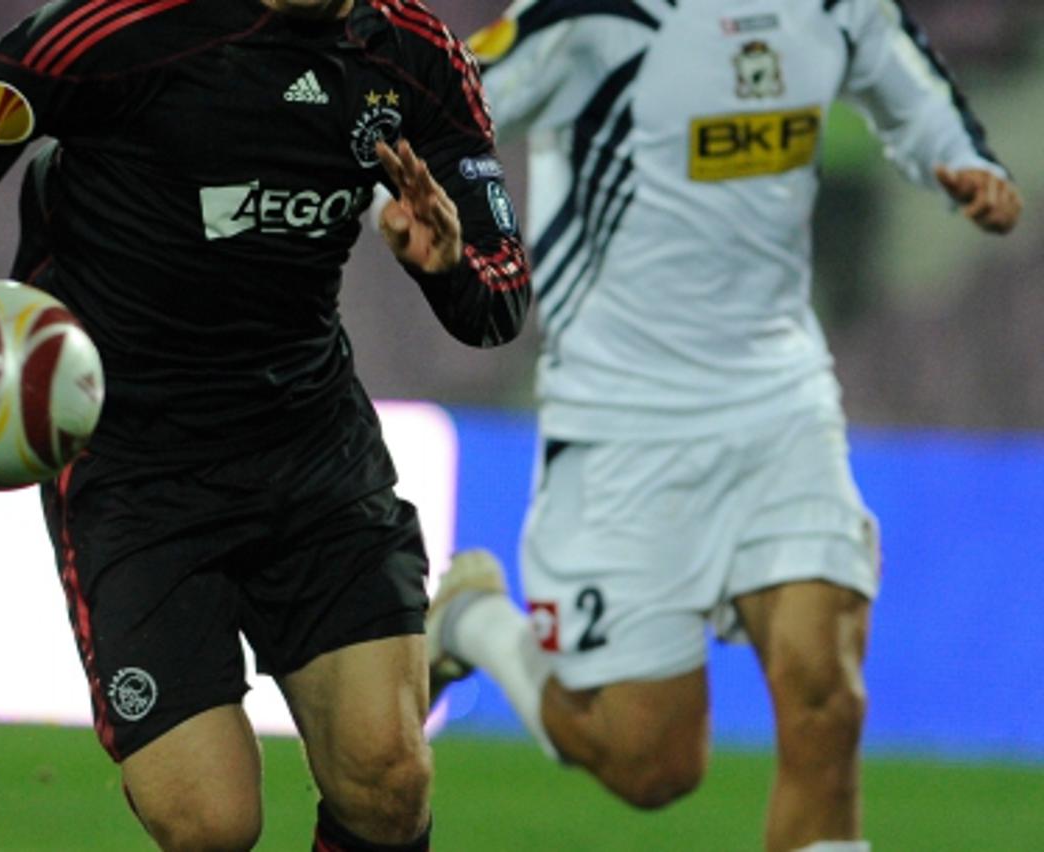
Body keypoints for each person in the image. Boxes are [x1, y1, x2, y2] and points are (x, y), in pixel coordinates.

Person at [0, 1, 531, 849]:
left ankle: (395, 680)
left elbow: (496, 301)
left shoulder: (416, 54)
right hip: (134, 467)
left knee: (387, 783)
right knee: (210, 826)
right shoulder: (128, 26)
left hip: (309, 446)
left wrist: (448, 270)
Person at [427, 1, 1021, 851]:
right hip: (623, 419)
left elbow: (904, 76)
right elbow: (446, 103)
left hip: (780, 402)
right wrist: (412, 200)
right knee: (651, 764)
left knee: (828, 698)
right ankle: (474, 621)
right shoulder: (588, 17)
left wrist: (958, 160)